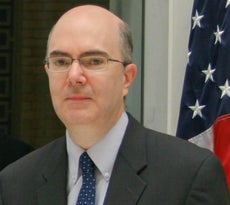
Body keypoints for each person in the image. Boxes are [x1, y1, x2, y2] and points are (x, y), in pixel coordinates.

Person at [0, 5, 229, 205]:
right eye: (61, 61)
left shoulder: (188, 176)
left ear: (127, 78)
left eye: (94, 61)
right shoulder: (16, 183)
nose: (74, 75)